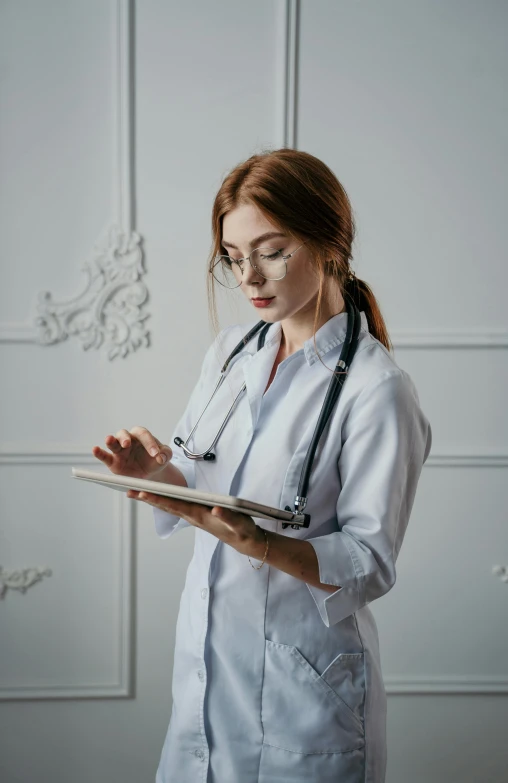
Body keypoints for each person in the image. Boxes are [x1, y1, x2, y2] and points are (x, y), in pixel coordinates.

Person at [92, 148, 432, 783]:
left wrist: (261, 545)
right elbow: (202, 485)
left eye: (272, 251)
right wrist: (150, 473)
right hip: (208, 671)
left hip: (304, 693)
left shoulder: (376, 389)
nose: (249, 276)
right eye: (232, 256)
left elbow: (369, 561)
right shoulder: (230, 353)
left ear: (328, 244)